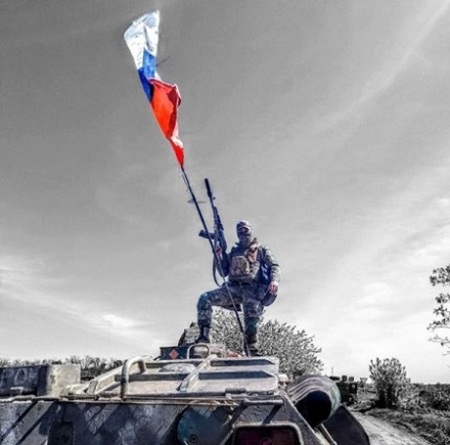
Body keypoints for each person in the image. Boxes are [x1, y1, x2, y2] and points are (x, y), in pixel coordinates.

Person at [196, 220, 281, 355]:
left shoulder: (260, 249)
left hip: (252, 290)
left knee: (251, 314)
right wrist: (218, 255)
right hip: (233, 289)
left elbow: (274, 266)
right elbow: (224, 272)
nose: (242, 232)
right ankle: (203, 337)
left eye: (245, 229)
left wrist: (275, 281)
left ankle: (251, 348)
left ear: (250, 230)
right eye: (240, 230)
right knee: (205, 298)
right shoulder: (234, 252)